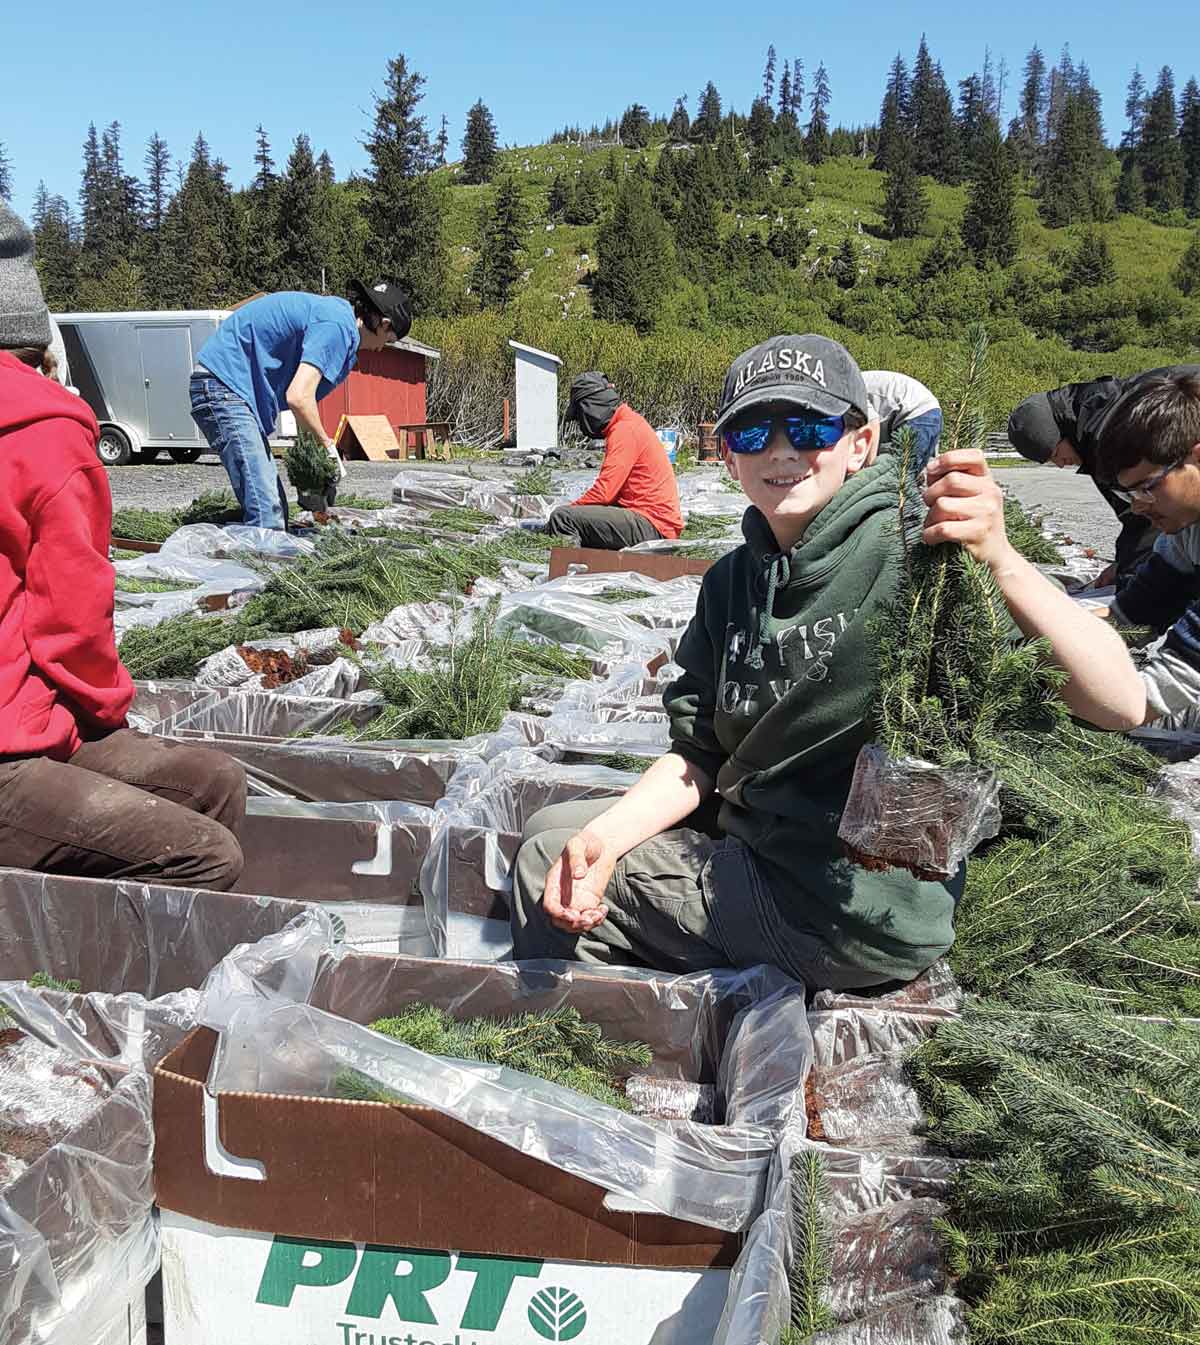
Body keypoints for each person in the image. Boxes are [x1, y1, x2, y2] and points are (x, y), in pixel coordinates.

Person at [511, 334, 1144, 987]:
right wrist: (609, 840)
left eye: (811, 426)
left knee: (541, 867)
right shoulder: (731, 581)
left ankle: (579, 1050)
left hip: (837, 908)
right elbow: (697, 753)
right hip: (765, 838)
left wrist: (1001, 559)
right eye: (754, 432)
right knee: (558, 830)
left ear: (861, 443)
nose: (783, 449)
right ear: (728, 455)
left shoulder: (915, 560)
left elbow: (1119, 700)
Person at [0, 202, 247, 889]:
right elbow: (71, 623)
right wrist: (108, 711)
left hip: (18, 721)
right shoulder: (44, 430)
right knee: (205, 849)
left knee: (211, 782)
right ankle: (78, 994)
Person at [190, 282, 412, 529]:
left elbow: (301, 408)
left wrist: (313, 475)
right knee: (268, 513)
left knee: (276, 510)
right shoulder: (337, 327)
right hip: (224, 387)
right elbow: (298, 397)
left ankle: (242, 549)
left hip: (230, 390)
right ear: (384, 323)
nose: (381, 349)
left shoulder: (338, 324)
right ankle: (254, 562)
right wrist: (327, 446)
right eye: (388, 341)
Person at [1007, 368, 1200, 584]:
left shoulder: (1102, 434)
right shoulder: (1095, 410)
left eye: (1055, 454)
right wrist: (1122, 565)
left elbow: (1142, 520)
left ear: (1061, 434)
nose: (1060, 465)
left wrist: (1129, 579)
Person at [1095, 369, 1200, 723]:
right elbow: (1138, 614)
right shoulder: (1186, 530)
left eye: (1147, 487)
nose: (1137, 506)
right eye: (1127, 493)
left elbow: (1172, 681)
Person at [545, 372, 683, 550]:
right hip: (653, 522)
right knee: (578, 519)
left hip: (653, 525)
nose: (581, 423)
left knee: (562, 518)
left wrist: (571, 510)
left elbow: (604, 493)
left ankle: (569, 569)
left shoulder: (624, 430)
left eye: (580, 415)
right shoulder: (628, 423)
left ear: (590, 408)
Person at [864, 369, 942, 468]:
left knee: (898, 476)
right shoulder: (854, 381)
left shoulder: (847, 391)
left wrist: (868, 467)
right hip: (931, 410)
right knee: (927, 471)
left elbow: (872, 424)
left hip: (915, 414)